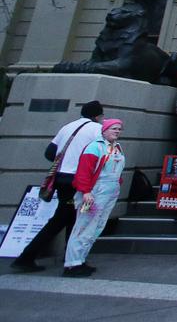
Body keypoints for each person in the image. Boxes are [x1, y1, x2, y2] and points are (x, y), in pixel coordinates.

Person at [10, 101, 105, 273]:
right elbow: (101, 155)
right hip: (78, 180)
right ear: (97, 116)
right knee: (63, 218)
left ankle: (72, 258)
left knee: (72, 218)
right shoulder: (96, 130)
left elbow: (49, 152)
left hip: (61, 178)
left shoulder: (67, 127)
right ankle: (27, 257)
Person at [62, 118, 127, 277]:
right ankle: (72, 263)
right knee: (83, 226)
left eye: (119, 129)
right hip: (94, 193)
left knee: (96, 227)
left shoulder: (116, 147)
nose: (117, 131)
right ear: (104, 130)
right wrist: (85, 191)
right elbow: (84, 171)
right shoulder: (94, 147)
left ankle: (80, 259)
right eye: (114, 128)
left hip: (108, 192)